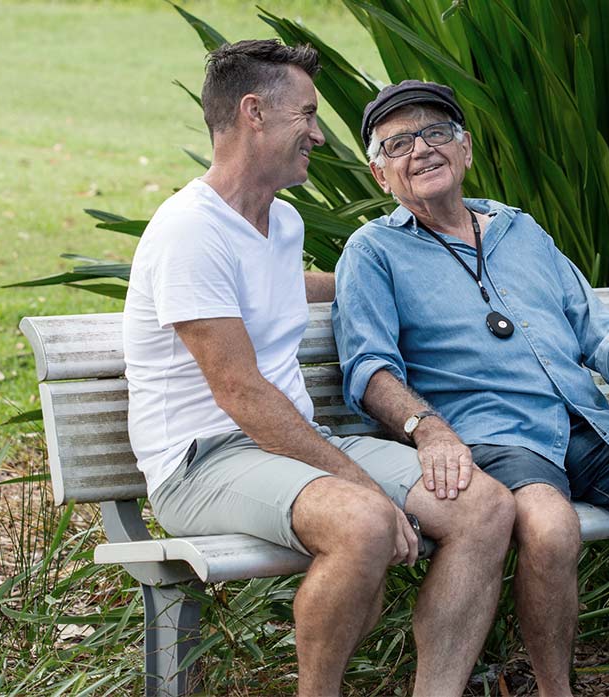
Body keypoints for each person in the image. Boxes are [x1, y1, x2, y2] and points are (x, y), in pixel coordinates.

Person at [332, 79, 609, 696]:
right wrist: (427, 430)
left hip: (589, 425)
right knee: (550, 526)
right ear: (381, 175)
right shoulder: (373, 251)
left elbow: (599, 327)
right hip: (496, 436)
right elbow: (368, 368)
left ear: (465, 149)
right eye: (398, 143)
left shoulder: (521, 231)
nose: (421, 149)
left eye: (435, 132)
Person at [123, 44, 515, 696]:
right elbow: (240, 392)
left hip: (291, 445)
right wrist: (361, 483)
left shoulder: (280, 220)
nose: (319, 133)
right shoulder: (189, 232)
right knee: (362, 521)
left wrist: (404, 280)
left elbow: (288, 286)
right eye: (306, 114)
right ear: (253, 113)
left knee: (485, 507)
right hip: (200, 462)